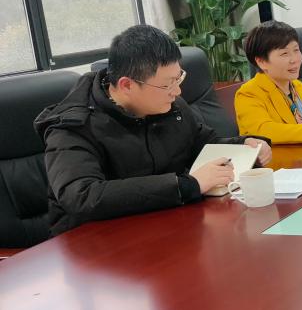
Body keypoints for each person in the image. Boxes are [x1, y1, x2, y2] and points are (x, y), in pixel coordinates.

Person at [35, 25, 271, 237]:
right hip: (97, 246)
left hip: (165, 227)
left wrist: (244, 146)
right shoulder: (73, 126)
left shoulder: (169, 105)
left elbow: (202, 142)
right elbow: (82, 195)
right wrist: (186, 185)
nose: (177, 91)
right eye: (167, 84)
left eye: (178, 78)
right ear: (127, 85)